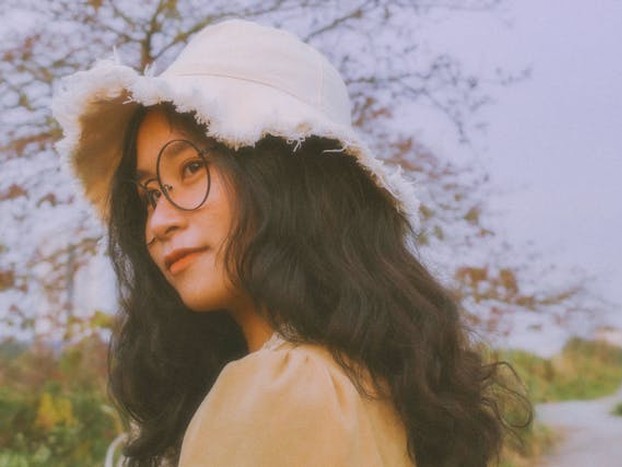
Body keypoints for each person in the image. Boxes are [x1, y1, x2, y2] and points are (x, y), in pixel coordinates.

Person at [54, 19, 527, 467]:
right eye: (150, 195)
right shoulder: (378, 383)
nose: (158, 222)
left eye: (192, 168)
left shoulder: (282, 387)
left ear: (281, 181)